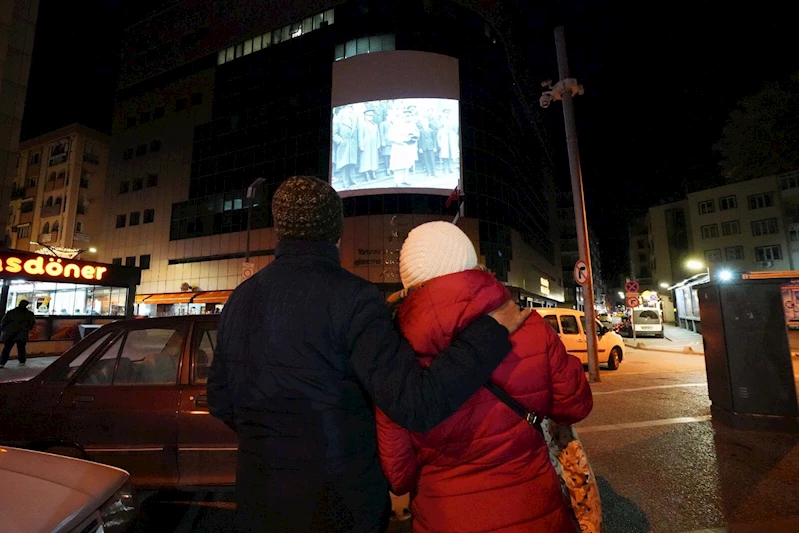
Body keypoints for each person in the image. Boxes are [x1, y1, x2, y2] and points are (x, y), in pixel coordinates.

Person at [207, 176, 530, 533]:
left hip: (259, 501)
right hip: (339, 503)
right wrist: (488, 332)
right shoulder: (354, 298)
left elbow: (220, 400)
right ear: (337, 232)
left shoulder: (240, 299)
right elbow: (416, 403)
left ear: (279, 229)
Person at [377, 221, 593, 533]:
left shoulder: (394, 356)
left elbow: (399, 476)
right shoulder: (528, 326)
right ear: (470, 263)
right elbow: (576, 406)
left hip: (444, 516)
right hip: (535, 512)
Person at [0, 300, 36, 368]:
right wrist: (27, 329)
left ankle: (2, 362)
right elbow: (32, 324)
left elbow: (4, 322)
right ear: (26, 305)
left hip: (10, 333)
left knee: (7, 348)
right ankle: (22, 361)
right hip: (22, 333)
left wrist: (4, 330)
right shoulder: (29, 314)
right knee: (21, 348)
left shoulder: (11, 312)